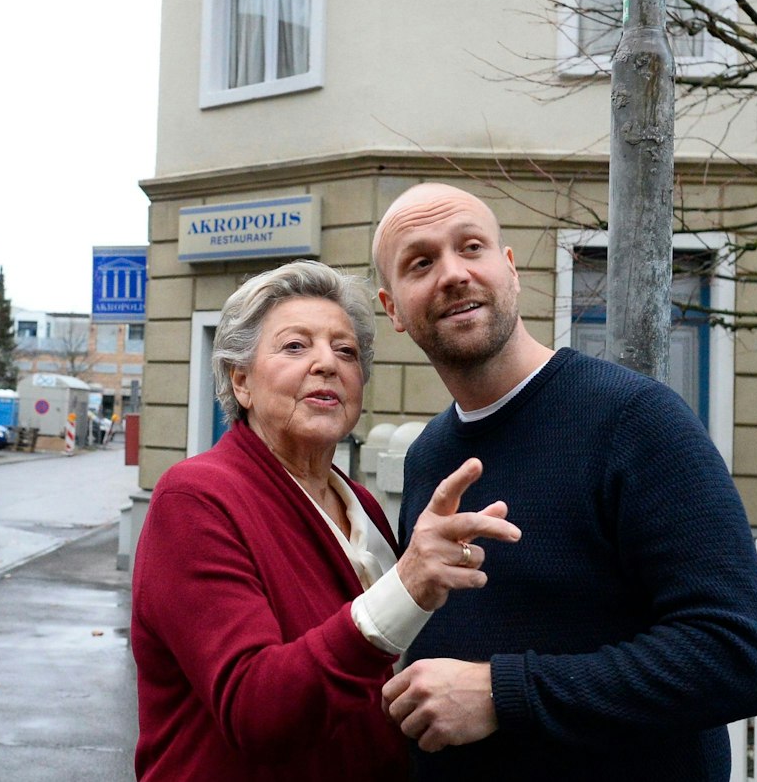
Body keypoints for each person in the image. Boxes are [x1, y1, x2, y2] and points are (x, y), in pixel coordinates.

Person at [372, 184, 757, 780]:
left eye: (472, 247)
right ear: (393, 309)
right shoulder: (429, 456)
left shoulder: (636, 421)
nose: (453, 274)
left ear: (509, 270)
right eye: (421, 262)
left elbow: (740, 658)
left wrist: (501, 693)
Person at [131, 260, 522, 781]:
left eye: (346, 351)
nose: (327, 364)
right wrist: (406, 586)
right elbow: (259, 712)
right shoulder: (197, 497)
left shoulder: (359, 501)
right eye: (295, 346)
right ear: (241, 380)